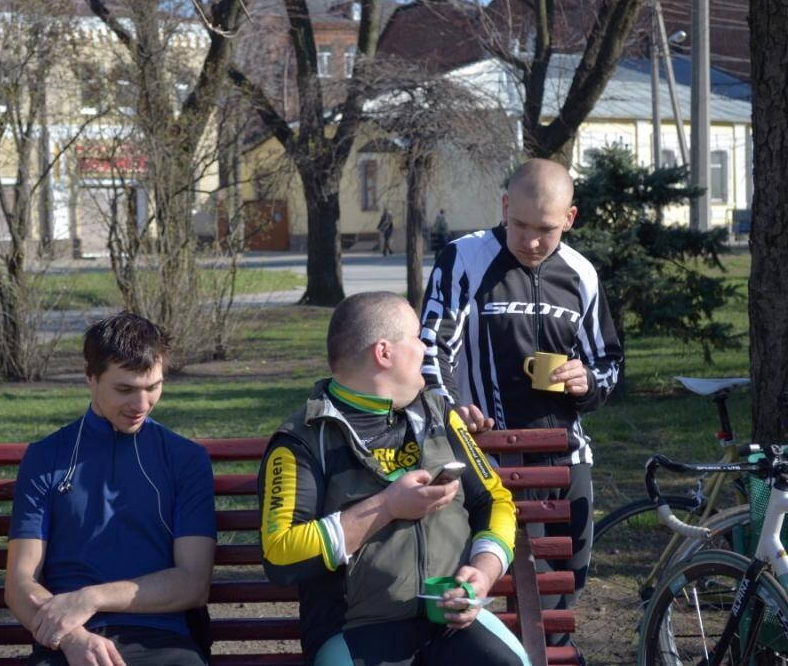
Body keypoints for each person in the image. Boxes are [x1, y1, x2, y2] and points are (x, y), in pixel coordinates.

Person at [258, 291, 529, 666]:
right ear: (384, 352)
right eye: (416, 338)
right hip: (353, 632)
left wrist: (482, 573)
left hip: (451, 621)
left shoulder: (441, 415)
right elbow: (280, 553)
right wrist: (387, 506)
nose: (425, 349)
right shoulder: (302, 439)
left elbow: (495, 500)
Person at [419, 158, 623, 649]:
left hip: (564, 459)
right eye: (521, 225)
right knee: (483, 590)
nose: (531, 241)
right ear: (505, 206)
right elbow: (430, 349)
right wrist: (452, 410)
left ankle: (550, 656)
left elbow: (609, 363)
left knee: (561, 592)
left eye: (545, 230)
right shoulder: (463, 259)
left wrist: (586, 381)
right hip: (485, 459)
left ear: (570, 218)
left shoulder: (581, 274)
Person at [5, 312, 216, 666]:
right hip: (68, 642)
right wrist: (71, 638)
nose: (142, 405)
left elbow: (193, 583)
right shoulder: (46, 457)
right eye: (125, 390)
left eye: (153, 387)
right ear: (90, 376)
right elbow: (19, 583)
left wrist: (91, 598)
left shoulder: (185, 459)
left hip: (163, 641)